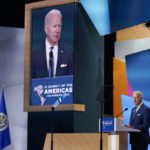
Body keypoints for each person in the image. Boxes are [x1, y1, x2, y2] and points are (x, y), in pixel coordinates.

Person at [31, 9, 73, 79]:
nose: (57, 30)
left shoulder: (69, 51)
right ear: (46, 29)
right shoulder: (34, 53)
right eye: (54, 26)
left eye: (59, 26)